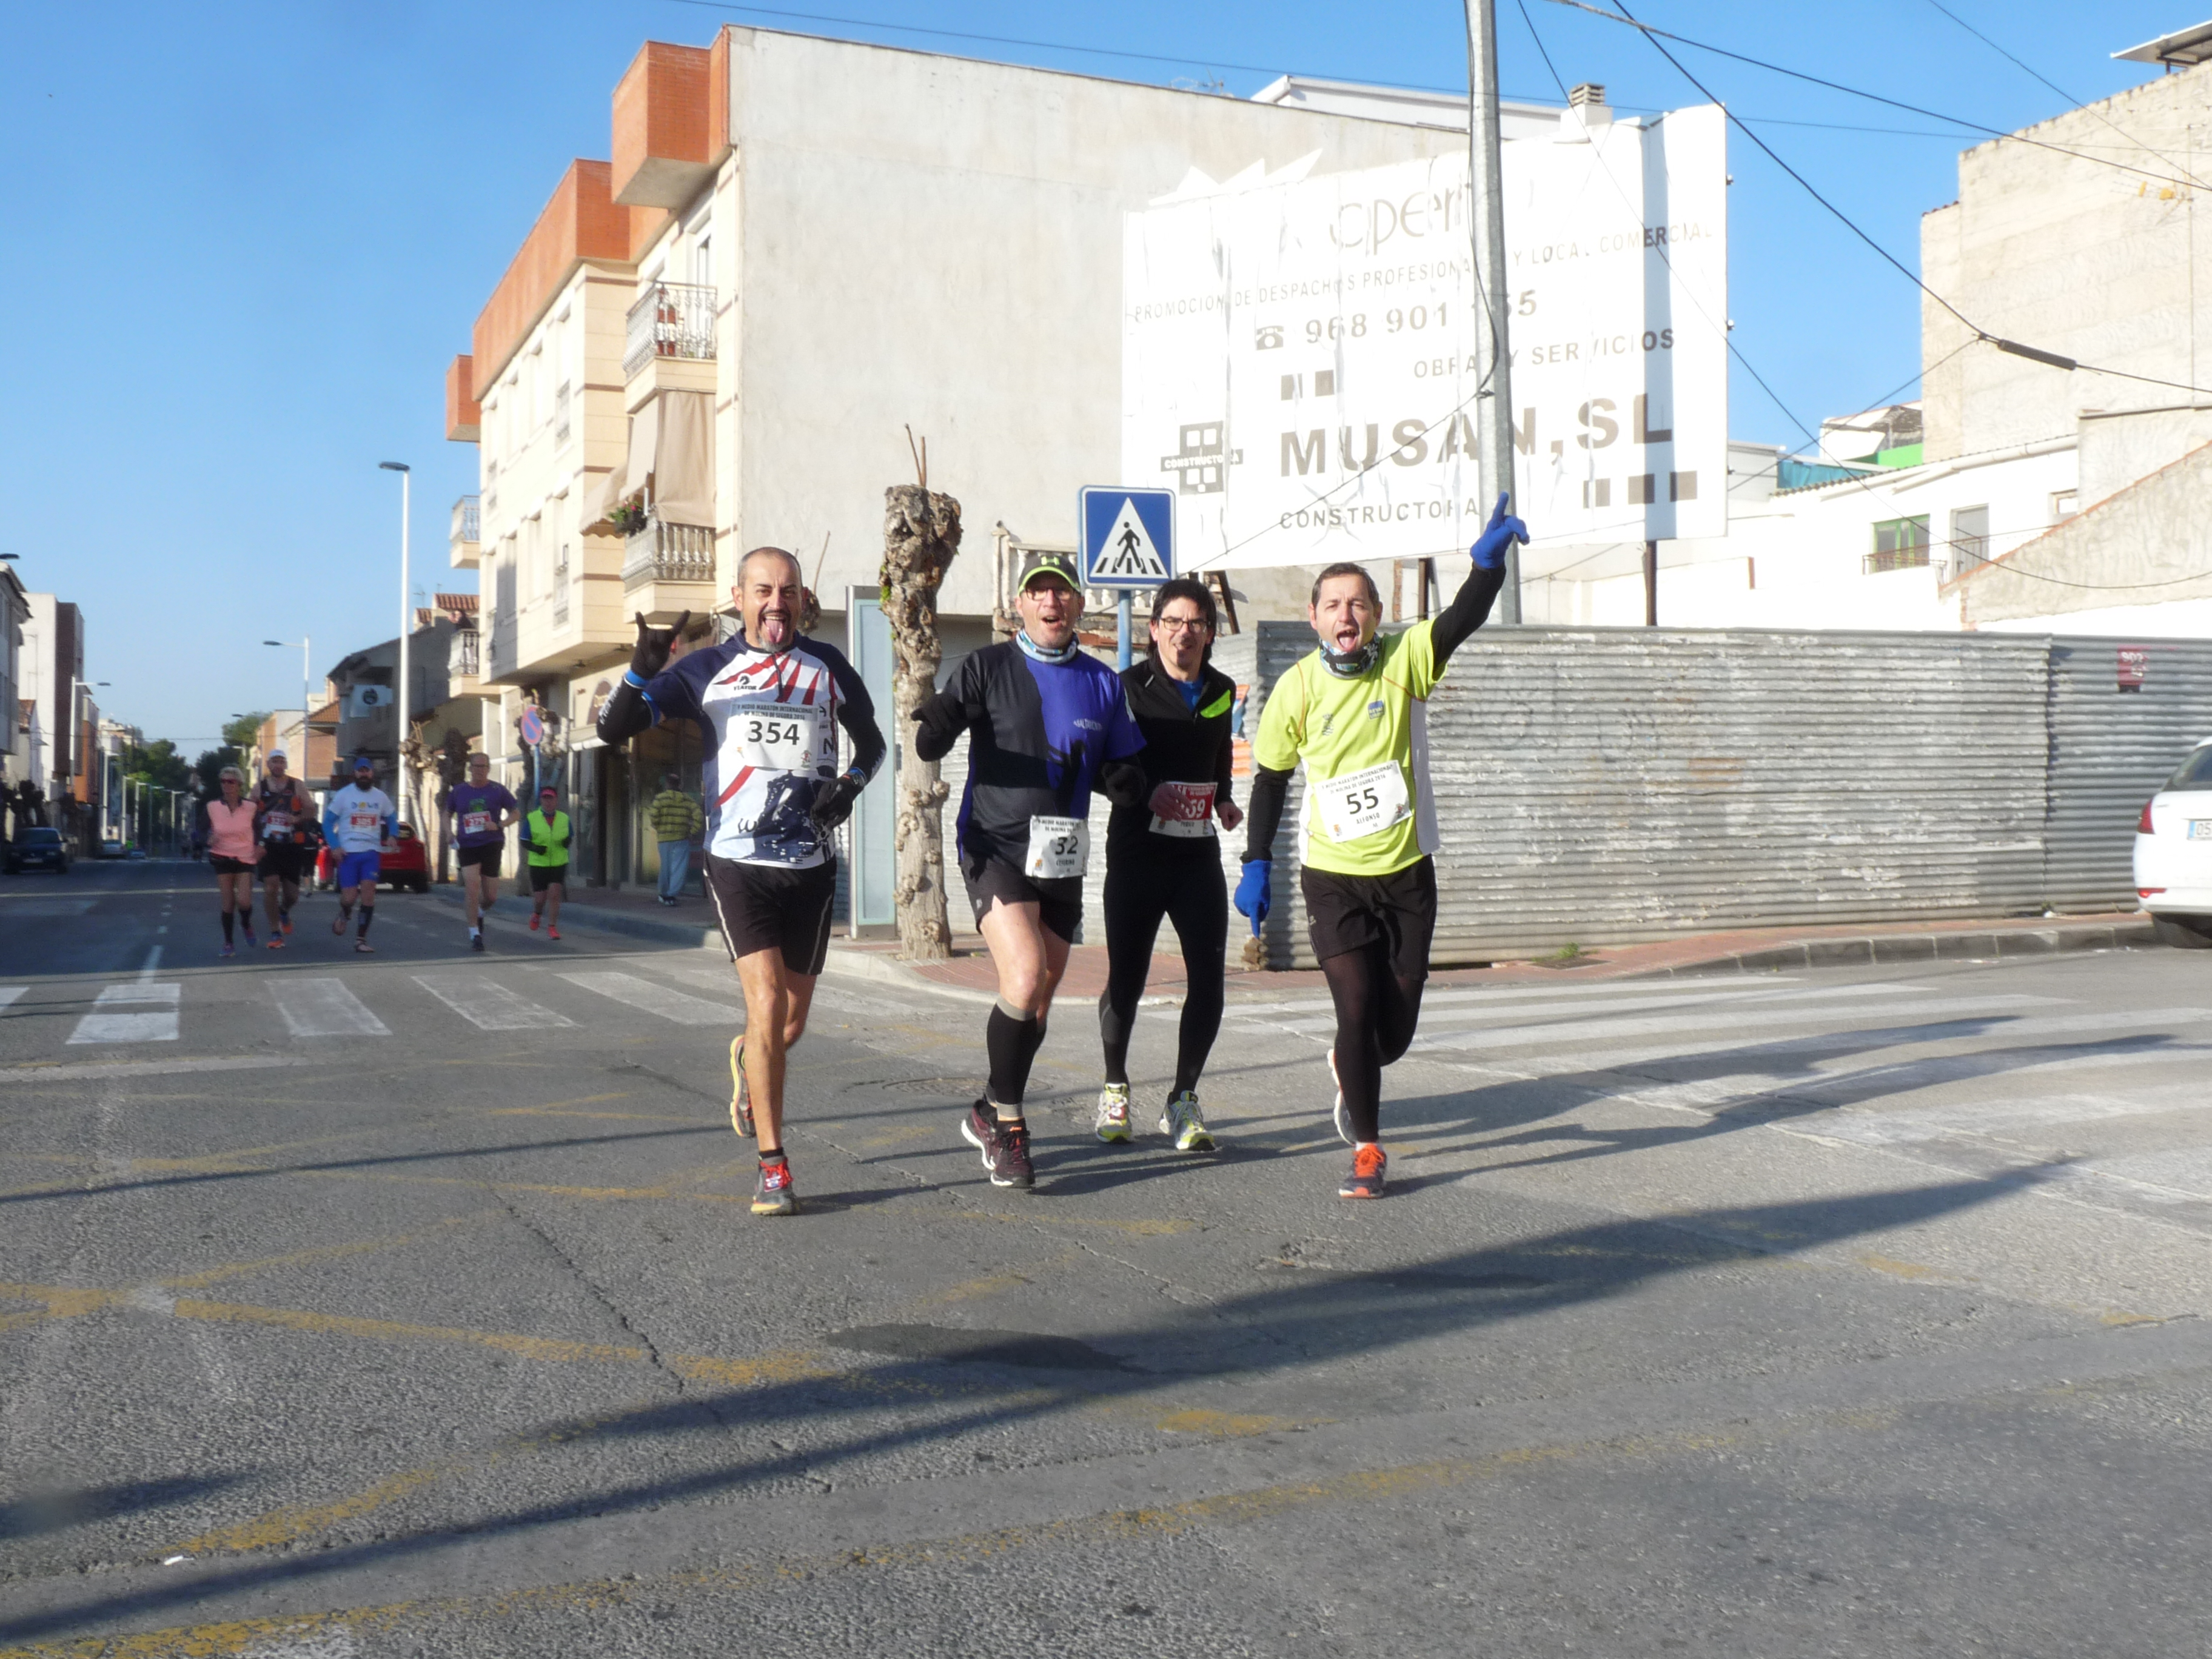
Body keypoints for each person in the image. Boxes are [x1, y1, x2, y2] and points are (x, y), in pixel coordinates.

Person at [1235, 494, 1527, 1200]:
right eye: (1333, 604)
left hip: (1406, 874)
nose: (1347, 614)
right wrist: (1255, 862)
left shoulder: (1405, 659)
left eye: (1359, 603)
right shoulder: (1296, 689)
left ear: (1376, 615)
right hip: (1332, 877)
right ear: (1314, 618)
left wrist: (1485, 570)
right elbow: (1271, 780)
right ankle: (1368, 1148)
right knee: (1356, 1010)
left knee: (1391, 1037)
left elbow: (1460, 620)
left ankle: (1353, 1065)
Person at [597, 549, 885, 1218]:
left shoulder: (828, 667)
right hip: (736, 861)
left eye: (788, 591)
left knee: (789, 1024)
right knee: (767, 1004)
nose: (776, 603)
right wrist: (641, 670)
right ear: (739, 596)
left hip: (812, 865)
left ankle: (747, 1058)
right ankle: (773, 1166)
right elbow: (613, 729)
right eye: (763, 591)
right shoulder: (706, 669)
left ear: (803, 598)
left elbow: (873, 747)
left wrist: (849, 787)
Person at [912, 548, 1146, 1189]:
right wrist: (937, 725)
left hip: (1062, 854)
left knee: (1038, 999)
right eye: (1038, 591)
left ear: (1078, 604)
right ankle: (1011, 1128)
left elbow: (1118, 764)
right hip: (995, 846)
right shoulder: (987, 667)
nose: (1051, 601)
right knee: (1025, 973)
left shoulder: (1103, 682)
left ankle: (990, 1104)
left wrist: (1124, 780)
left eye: (1062, 591)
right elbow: (932, 741)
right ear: (1019, 604)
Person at [1095, 578, 1241, 1151]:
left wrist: (1224, 797)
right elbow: (1104, 766)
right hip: (1137, 852)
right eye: (1174, 622)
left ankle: (1183, 1099)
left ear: (1210, 633)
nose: (1185, 633)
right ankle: (1115, 1086)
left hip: (1196, 854)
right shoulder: (1126, 689)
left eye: (1196, 623)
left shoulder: (1221, 690)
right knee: (1126, 979)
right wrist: (1144, 791)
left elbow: (1220, 750)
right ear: (1154, 629)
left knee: (1209, 979)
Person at [443, 751, 521, 951]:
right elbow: (447, 813)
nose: (480, 770)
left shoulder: (497, 790)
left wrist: (500, 824)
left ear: (488, 769)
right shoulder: (459, 791)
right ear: (470, 769)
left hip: (491, 844)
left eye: (483, 766)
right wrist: (449, 833)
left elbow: (516, 813)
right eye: (476, 766)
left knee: (491, 897)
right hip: (467, 845)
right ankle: (474, 933)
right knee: (472, 886)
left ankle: (479, 910)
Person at [323, 754, 397, 954]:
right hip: (348, 853)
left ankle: (361, 940)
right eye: (360, 771)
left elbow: (391, 817)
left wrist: (393, 835)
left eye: (367, 771)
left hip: (371, 852)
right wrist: (335, 846)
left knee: (368, 893)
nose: (364, 774)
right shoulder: (344, 795)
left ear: (372, 773)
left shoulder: (380, 797)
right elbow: (327, 823)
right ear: (355, 774)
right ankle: (345, 912)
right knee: (349, 897)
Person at [251, 749, 315, 949]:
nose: (278, 765)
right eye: (275, 761)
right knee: (271, 887)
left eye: (281, 762)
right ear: (268, 764)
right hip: (268, 846)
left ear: (285, 765)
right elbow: (249, 813)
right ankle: (275, 932)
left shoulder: (297, 785)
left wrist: (297, 818)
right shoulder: (259, 788)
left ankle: (284, 911)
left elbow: (311, 810)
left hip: (292, 845)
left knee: (292, 895)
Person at [204, 766, 260, 957]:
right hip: (222, 856)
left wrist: (260, 845)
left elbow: (260, 829)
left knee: (244, 901)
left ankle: (246, 923)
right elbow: (201, 829)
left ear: (239, 784)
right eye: (223, 782)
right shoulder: (212, 807)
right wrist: (207, 838)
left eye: (231, 782)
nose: (227, 785)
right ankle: (228, 942)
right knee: (228, 903)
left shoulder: (251, 807)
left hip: (245, 857)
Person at [524, 784, 570, 940]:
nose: (548, 802)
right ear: (541, 800)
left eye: (551, 799)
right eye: (545, 799)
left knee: (555, 894)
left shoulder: (564, 818)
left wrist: (567, 842)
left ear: (556, 800)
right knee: (540, 898)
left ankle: (552, 927)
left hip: (559, 862)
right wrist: (536, 848)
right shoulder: (532, 818)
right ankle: (537, 913)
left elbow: (570, 835)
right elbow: (524, 840)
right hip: (538, 864)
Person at [649, 771, 703, 905]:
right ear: (680, 785)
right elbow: (699, 816)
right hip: (682, 838)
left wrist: (659, 827)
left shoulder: (660, 799)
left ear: (667, 784)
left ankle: (663, 893)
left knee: (665, 867)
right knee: (679, 868)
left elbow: (653, 815)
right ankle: (671, 895)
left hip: (665, 839)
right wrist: (692, 832)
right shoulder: (688, 800)